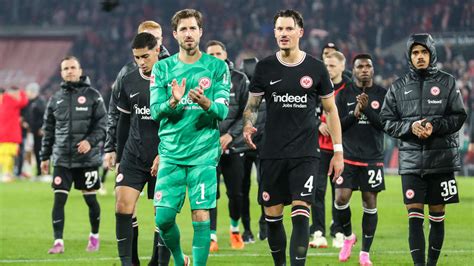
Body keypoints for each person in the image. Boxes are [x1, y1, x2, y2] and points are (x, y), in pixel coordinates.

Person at [242, 10, 344, 265]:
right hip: (272, 153)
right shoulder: (265, 67)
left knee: (301, 214)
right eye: (279, 29)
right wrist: (247, 125)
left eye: (289, 29)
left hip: (305, 153)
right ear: (275, 33)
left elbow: (331, 110)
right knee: (273, 217)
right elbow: (252, 106)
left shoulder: (316, 68)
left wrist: (339, 151)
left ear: (300, 32)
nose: (283, 34)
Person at [150, 9, 230, 266]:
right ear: (174, 34)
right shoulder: (162, 69)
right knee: (162, 219)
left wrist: (206, 102)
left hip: (203, 154)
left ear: (200, 32)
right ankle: (178, 258)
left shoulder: (217, 67)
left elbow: (222, 110)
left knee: (201, 215)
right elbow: (154, 112)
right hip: (171, 154)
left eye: (192, 28)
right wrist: (173, 101)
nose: (188, 33)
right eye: (183, 29)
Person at [380, 33, 467, 266]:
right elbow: (386, 121)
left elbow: (459, 116)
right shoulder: (398, 87)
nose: (420, 57)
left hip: (442, 161)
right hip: (411, 163)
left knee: (437, 217)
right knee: (414, 218)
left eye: (424, 52)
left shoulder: (447, 82)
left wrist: (434, 126)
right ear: (409, 56)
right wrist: (410, 127)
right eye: (415, 53)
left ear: (432, 53)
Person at [103, 20, 170, 266]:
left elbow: (178, 122)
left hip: (165, 155)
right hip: (134, 152)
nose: (141, 62)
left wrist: (165, 153)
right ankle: (128, 263)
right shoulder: (128, 79)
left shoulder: (172, 76)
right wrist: (118, 156)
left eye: (145, 56)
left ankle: (157, 262)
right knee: (122, 205)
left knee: (162, 215)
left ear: (157, 50)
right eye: (137, 57)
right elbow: (121, 120)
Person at [40, 56, 107, 254]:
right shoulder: (55, 99)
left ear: (80, 70)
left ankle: (94, 236)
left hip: (86, 160)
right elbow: (48, 130)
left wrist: (90, 141)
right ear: (61, 73)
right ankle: (58, 242)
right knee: (59, 200)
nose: (69, 71)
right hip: (62, 158)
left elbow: (103, 125)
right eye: (65, 68)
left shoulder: (93, 96)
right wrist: (44, 157)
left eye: (73, 67)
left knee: (91, 200)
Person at [333, 53, 387, 265]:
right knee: (340, 199)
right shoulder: (344, 94)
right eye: (360, 66)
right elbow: (336, 127)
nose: (364, 69)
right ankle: (348, 238)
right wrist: (355, 113)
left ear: (372, 70)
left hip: (372, 157)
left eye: (368, 66)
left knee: (370, 202)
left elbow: (385, 125)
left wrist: (367, 111)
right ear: (353, 70)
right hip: (347, 156)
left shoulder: (382, 94)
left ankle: (365, 252)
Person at [206, 40, 250, 250]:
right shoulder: (200, 79)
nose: (214, 57)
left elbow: (249, 112)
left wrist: (230, 135)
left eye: (218, 53)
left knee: (236, 194)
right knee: (209, 194)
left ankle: (234, 230)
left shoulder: (240, 80)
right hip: (208, 148)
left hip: (234, 147)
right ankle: (212, 236)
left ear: (225, 55)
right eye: (210, 54)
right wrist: (212, 137)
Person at [309, 51, 349, 249]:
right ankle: (317, 231)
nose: (329, 69)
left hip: (340, 149)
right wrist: (318, 123)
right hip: (319, 148)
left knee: (339, 192)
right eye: (327, 66)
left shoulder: (349, 89)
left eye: (333, 66)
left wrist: (335, 128)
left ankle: (339, 231)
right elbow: (307, 110)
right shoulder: (316, 87)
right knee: (317, 190)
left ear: (342, 66)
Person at [0, 86, 28, 182]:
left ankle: (7, 173)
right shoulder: (6, 102)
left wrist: (20, 93)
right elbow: (23, 102)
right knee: (5, 155)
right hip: (6, 135)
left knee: (7, 155)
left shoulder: (7, 101)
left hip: (8, 135)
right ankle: (6, 173)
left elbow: (23, 102)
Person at [23, 82, 46, 178]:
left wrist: (43, 128)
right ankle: (39, 172)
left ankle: (44, 172)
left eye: (28, 91)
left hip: (40, 132)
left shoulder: (40, 102)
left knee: (42, 151)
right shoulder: (28, 102)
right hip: (31, 131)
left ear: (33, 91)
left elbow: (46, 116)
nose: (26, 93)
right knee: (36, 151)